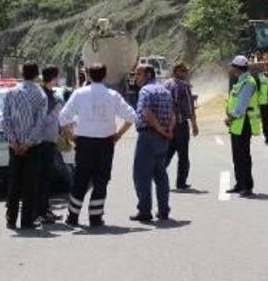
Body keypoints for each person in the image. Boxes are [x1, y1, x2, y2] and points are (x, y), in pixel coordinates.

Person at [59, 63, 138, 228]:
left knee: (81, 179)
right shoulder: (112, 95)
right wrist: (119, 134)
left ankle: (72, 216)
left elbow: (63, 118)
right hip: (106, 143)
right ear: (105, 75)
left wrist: (72, 137)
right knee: (101, 180)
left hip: (84, 142)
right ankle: (95, 217)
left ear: (87, 75)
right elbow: (132, 116)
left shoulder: (79, 94)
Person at [2, 62, 48, 230]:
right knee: (30, 184)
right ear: (37, 75)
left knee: (14, 182)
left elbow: (5, 119)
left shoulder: (11, 92)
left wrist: (14, 142)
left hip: (14, 147)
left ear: (22, 73)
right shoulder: (40, 94)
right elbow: (40, 123)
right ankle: (27, 220)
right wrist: (28, 143)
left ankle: (10, 218)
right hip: (32, 147)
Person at [130, 65, 175, 222]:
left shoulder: (145, 91)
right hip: (163, 139)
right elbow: (172, 114)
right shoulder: (165, 90)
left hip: (148, 136)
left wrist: (160, 130)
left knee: (141, 175)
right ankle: (164, 210)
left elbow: (147, 113)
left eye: (138, 74)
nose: (136, 77)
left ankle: (144, 211)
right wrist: (168, 130)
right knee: (160, 175)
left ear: (148, 74)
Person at [224, 55, 261, 197]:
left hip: (243, 123)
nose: (232, 69)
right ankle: (240, 184)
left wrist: (231, 117)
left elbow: (242, 105)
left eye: (233, 66)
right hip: (237, 124)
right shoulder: (241, 81)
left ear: (238, 67)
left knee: (243, 156)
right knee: (237, 156)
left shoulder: (248, 82)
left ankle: (247, 186)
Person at [35, 66, 63, 224]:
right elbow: (44, 120)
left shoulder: (50, 94)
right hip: (43, 141)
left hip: (49, 140)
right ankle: (41, 211)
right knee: (43, 178)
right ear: (54, 77)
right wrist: (56, 111)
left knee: (46, 177)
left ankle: (44, 209)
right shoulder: (44, 95)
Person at [164, 62, 198, 189]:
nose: (186, 73)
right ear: (177, 71)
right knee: (183, 156)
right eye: (183, 71)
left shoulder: (166, 84)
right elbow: (189, 108)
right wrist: (194, 125)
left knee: (168, 153)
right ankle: (181, 183)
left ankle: (157, 176)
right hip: (180, 125)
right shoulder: (184, 87)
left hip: (167, 125)